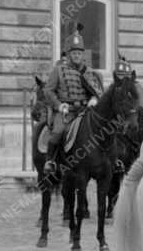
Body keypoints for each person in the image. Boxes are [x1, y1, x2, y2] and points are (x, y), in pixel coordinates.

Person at [42, 28, 104, 175]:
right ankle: (50, 161)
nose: (77, 56)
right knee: (58, 132)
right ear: (69, 54)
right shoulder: (58, 70)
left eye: (79, 53)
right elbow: (48, 91)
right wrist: (59, 105)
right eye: (74, 53)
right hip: (66, 112)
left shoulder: (90, 72)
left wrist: (94, 99)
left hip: (85, 112)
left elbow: (99, 92)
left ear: (83, 55)